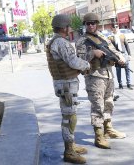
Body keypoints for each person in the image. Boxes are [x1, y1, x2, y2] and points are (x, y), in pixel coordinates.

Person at [75, 13, 126, 150]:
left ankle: (108, 129)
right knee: (98, 106)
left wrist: (120, 57)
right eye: (88, 23)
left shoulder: (103, 37)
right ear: (85, 25)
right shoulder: (82, 41)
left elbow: (113, 49)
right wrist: (93, 54)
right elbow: (78, 60)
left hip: (108, 74)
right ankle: (99, 135)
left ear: (97, 23)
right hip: (94, 76)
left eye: (93, 23)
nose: (91, 25)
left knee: (109, 102)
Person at [46, 14, 90, 164]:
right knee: (69, 118)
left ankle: (71, 145)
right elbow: (73, 61)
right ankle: (69, 151)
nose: (70, 28)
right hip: (66, 85)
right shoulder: (61, 42)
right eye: (68, 26)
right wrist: (87, 65)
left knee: (70, 116)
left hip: (64, 84)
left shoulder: (55, 41)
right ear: (64, 28)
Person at [110, 25, 133, 90]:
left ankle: (129, 83)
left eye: (117, 27)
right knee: (118, 70)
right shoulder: (110, 37)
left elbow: (126, 45)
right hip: (116, 55)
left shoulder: (122, 35)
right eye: (114, 27)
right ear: (112, 28)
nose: (116, 28)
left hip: (124, 54)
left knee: (127, 69)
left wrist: (129, 55)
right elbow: (110, 48)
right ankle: (120, 84)